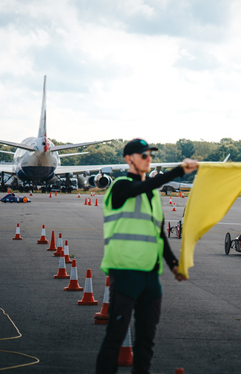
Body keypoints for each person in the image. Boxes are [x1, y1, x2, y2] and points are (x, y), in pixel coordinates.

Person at [96, 138, 198, 374]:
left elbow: (158, 234)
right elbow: (137, 188)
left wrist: (173, 264)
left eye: (150, 155)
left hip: (151, 276)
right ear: (128, 159)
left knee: (146, 341)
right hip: (124, 271)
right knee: (115, 337)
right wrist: (179, 171)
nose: (149, 159)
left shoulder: (153, 196)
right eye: (144, 155)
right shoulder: (120, 186)